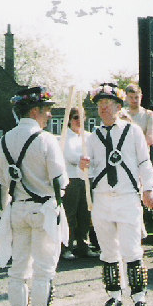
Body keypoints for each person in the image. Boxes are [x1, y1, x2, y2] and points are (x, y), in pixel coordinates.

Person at [0, 87, 69, 306]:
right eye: (46, 110)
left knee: (18, 270)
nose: (49, 115)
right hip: (44, 208)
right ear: (34, 111)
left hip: (18, 209)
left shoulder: (2, 142)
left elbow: (1, 180)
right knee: (44, 270)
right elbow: (60, 180)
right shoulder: (47, 140)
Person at [79, 83, 153, 306]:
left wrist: (149, 189)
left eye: (107, 105)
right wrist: (84, 165)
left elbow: (144, 161)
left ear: (118, 106)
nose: (103, 109)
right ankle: (114, 295)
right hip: (102, 199)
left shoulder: (133, 132)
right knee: (108, 251)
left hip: (127, 198)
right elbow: (91, 169)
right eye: (100, 106)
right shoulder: (93, 137)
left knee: (132, 249)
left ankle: (140, 299)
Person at [61, 108, 96, 259]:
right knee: (70, 213)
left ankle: (84, 245)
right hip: (72, 179)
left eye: (82, 117)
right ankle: (66, 247)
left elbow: (95, 156)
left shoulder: (89, 137)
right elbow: (69, 155)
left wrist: (88, 161)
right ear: (69, 119)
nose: (78, 120)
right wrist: (82, 160)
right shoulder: (64, 137)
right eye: (75, 117)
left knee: (85, 213)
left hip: (88, 178)